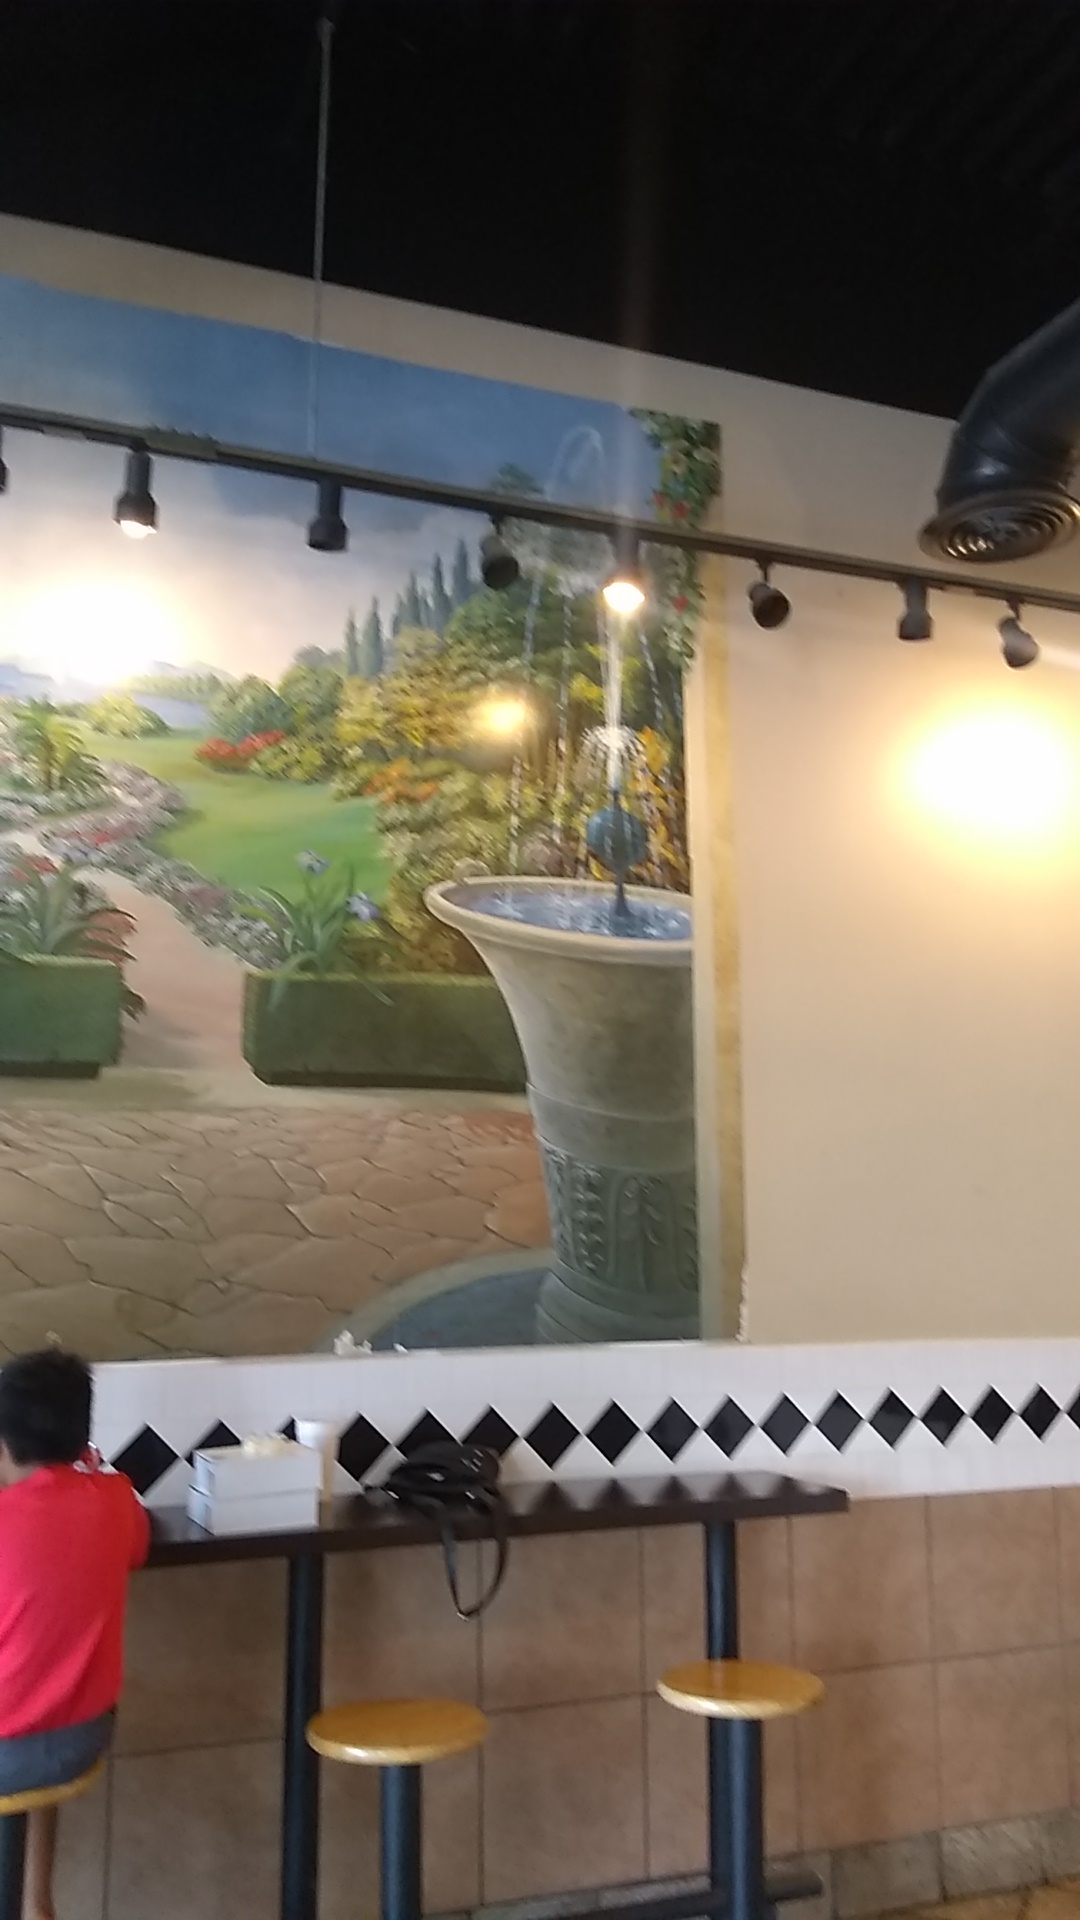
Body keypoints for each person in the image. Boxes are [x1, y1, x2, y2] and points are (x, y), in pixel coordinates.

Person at [0, 1349, 148, 1920]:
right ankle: (36, 1903)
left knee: (20, 1707)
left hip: (11, 1750)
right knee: (35, 1696)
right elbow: (136, 1543)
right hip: (82, 1737)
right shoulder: (115, 1501)